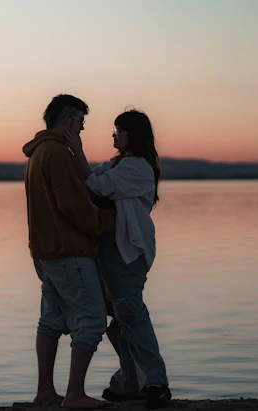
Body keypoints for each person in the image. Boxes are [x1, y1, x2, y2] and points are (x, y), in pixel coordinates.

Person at [65, 109, 171, 409]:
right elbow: (90, 180)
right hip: (109, 249)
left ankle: (155, 381)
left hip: (126, 250)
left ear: (132, 134)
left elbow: (97, 187)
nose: (114, 134)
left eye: (118, 130)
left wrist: (78, 150)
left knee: (131, 313)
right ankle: (129, 382)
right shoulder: (117, 163)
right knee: (120, 316)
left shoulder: (138, 167)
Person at [23, 94, 112, 410]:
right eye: (81, 123)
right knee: (91, 319)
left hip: (45, 253)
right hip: (68, 250)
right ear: (68, 121)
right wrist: (105, 223)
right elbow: (73, 205)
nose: (82, 129)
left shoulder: (38, 153)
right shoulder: (58, 154)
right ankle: (74, 395)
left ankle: (45, 393)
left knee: (51, 320)